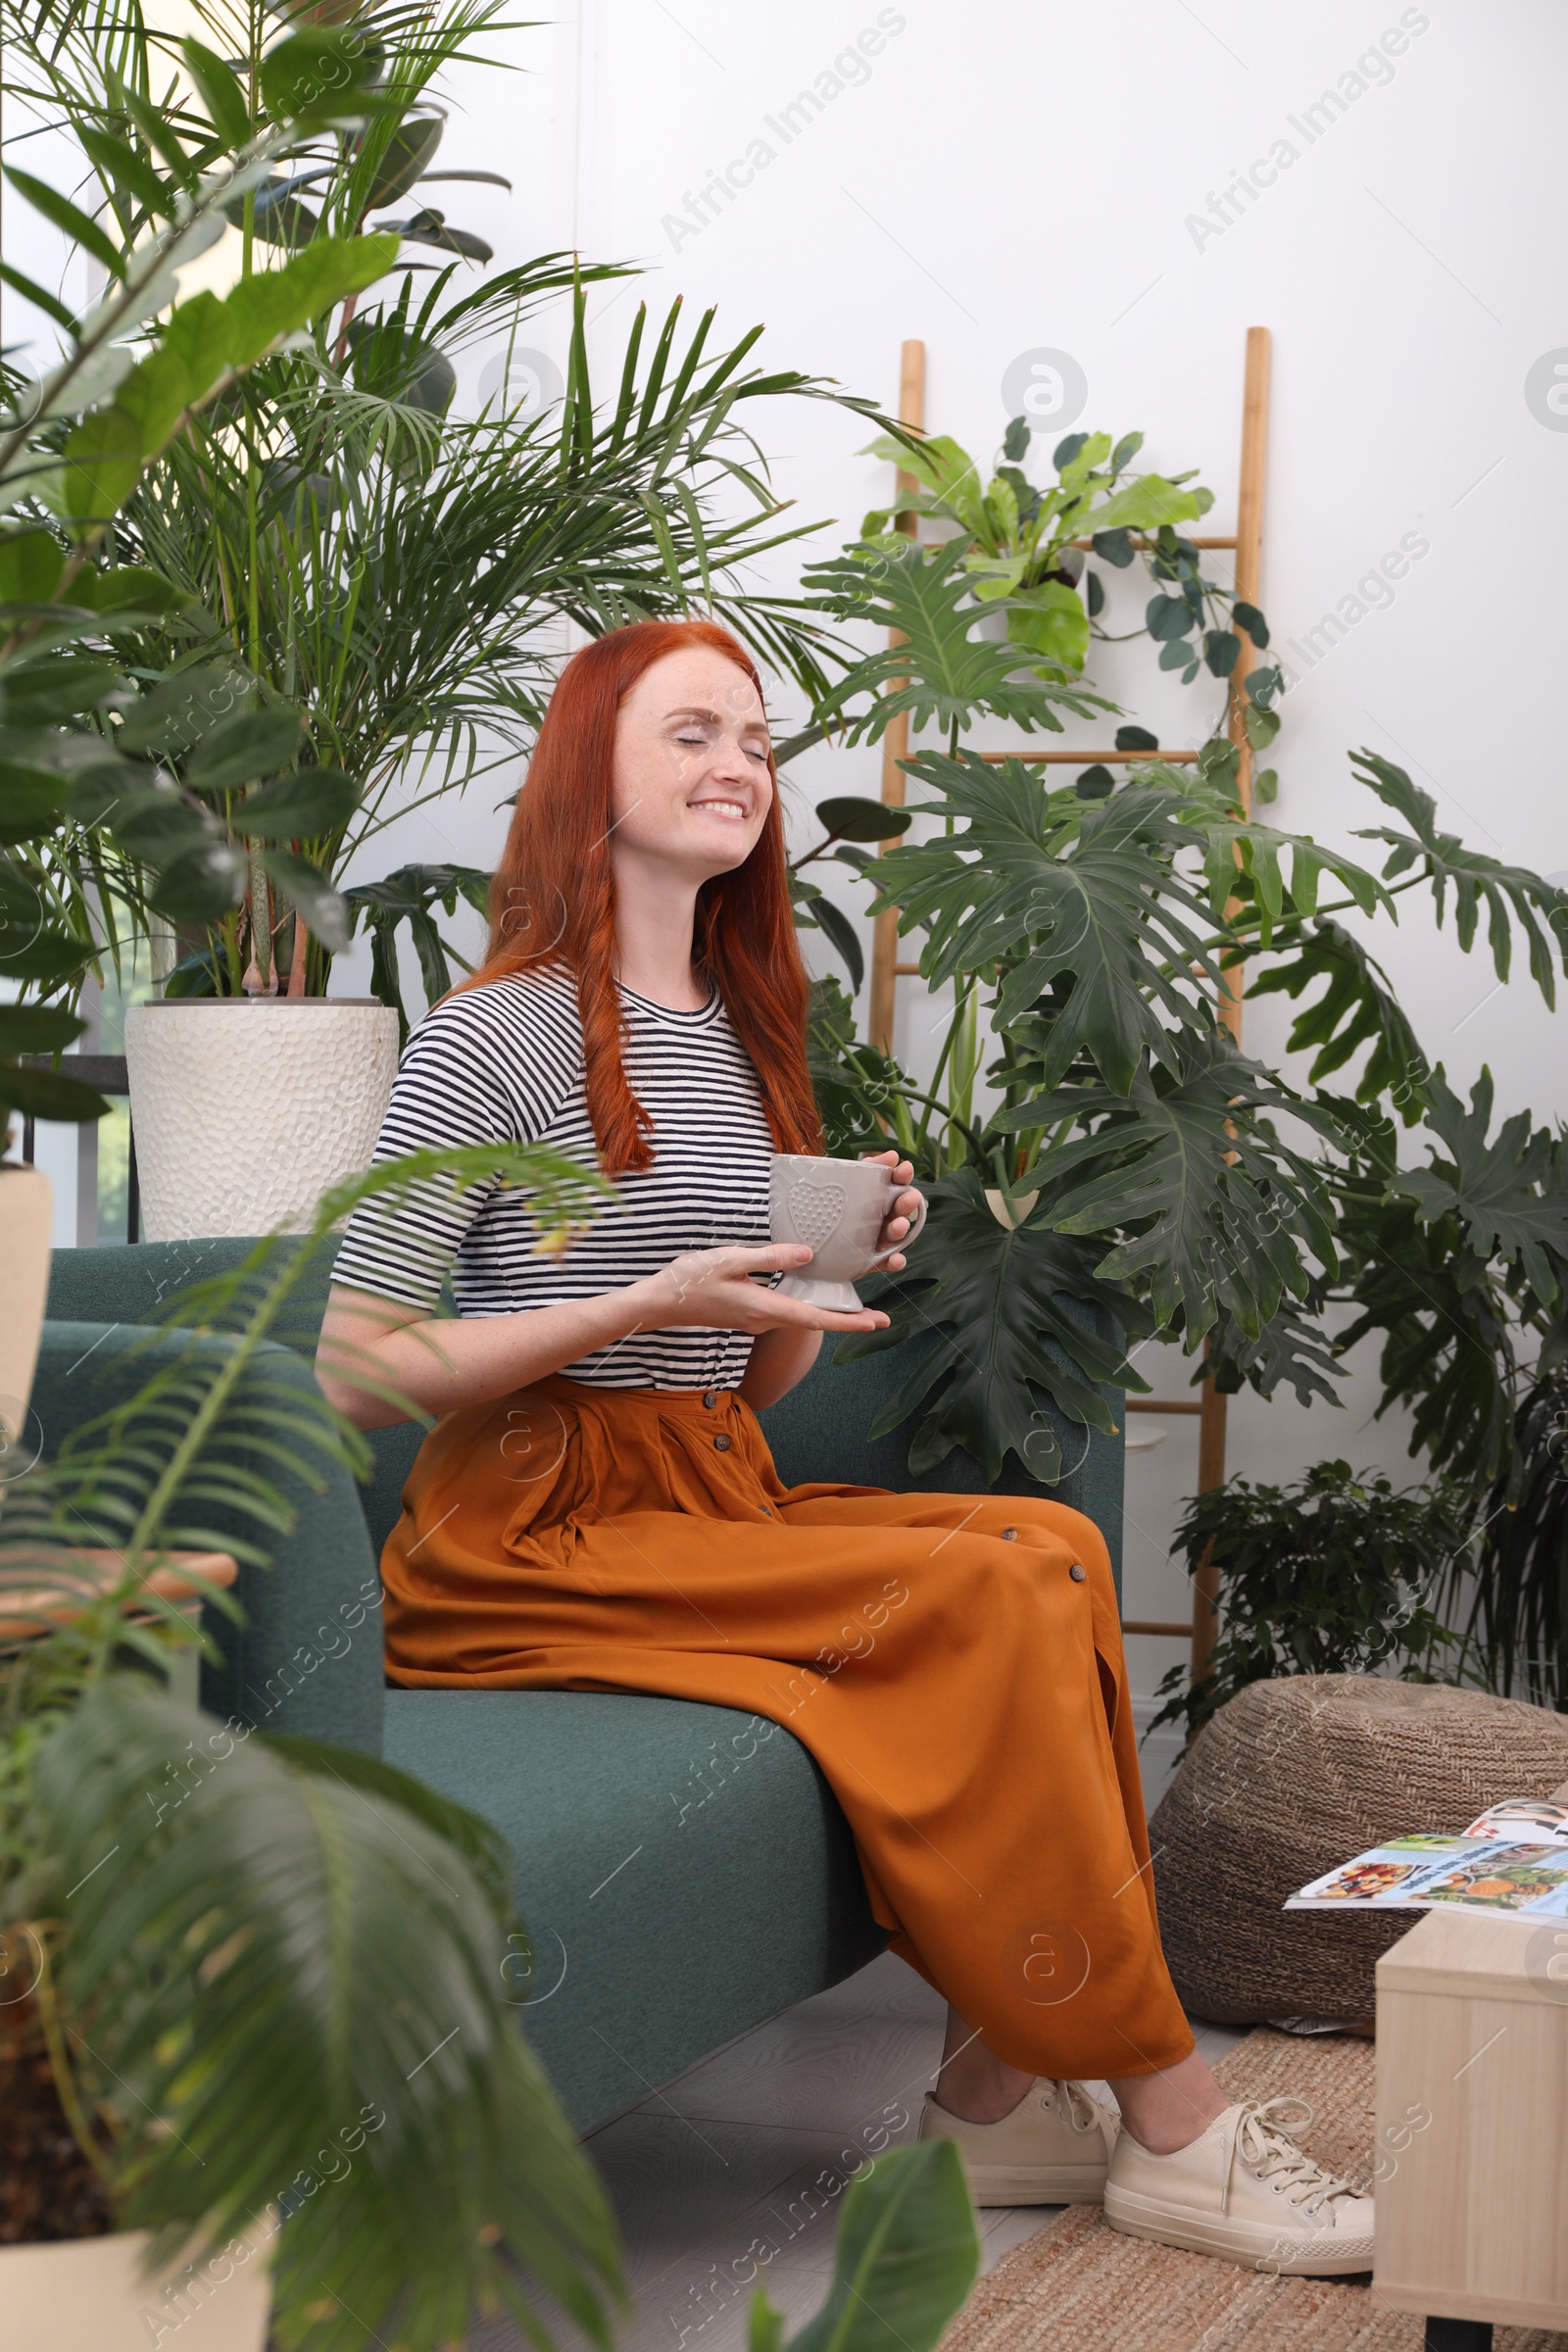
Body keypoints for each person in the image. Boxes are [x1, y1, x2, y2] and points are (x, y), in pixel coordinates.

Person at [317, 618, 1372, 2274]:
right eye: (690, 733)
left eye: (754, 738)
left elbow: (739, 1389)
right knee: (999, 1594)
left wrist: (820, 1284)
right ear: (588, 763)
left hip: (696, 1491)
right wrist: (635, 1296)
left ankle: (994, 2089)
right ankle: (1172, 2118)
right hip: (525, 1536)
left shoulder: (739, 1036)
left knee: (1051, 1546)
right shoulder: (494, 1035)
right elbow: (355, 1368)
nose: (738, 764)